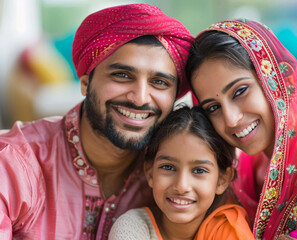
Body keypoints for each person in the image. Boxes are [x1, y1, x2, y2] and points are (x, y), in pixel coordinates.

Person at [0, 4, 194, 239]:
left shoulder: (177, 175)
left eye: (160, 82)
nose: (141, 98)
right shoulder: (15, 164)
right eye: (122, 75)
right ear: (85, 82)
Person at [186, 19, 297, 239]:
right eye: (213, 107)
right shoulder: (246, 167)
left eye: (240, 92)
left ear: (280, 78)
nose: (231, 119)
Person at [108, 106, 254, 240]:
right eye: (168, 167)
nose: (181, 186)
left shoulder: (229, 229)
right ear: (150, 172)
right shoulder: (132, 228)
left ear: (222, 180)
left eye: (199, 170)